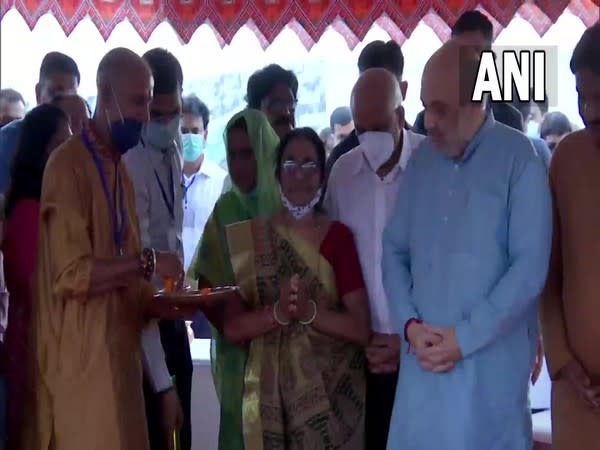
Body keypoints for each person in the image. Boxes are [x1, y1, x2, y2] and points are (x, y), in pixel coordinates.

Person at [383, 40, 552, 450]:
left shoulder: (521, 159)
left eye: (441, 108)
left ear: (477, 100)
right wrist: (409, 324)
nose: (429, 121)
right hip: (420, 381)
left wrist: (465, 339)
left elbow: (529, 269)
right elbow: (393, 250)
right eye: (426, 106)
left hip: (487, 383)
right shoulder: (421, 163)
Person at [23, 47, 185, 450]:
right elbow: (70, 274)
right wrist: (147, 262)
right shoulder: (67, 165)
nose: (145, 117)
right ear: (105, 96)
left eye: (148, 103)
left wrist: (162, 301)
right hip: (81, 373)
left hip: (121, 369)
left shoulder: (118, 171)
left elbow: (125, 280)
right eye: (137, 102)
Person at [222, 126, 369, 449]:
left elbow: (361, 329)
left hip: (334, 407)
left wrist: (309, 312)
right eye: (290, 164)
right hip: (272, 405)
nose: (299, 175)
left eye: (309, 165)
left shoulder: (338, 238)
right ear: (276, 174)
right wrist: (277, 313)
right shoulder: (255, 239)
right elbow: (233, 328)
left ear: (322, 175)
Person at [324, 68, 425, 450]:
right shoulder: (343, 174)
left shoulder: (431, 166)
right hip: (361, 359)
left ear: (400, 117)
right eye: (361, 131)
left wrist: (407, 342)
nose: (370, 140)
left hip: (423, 356)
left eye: (380, 127)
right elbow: (334, 265)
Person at [189, 108, 281, 450]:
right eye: (233, 154)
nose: (241, 164)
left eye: (249, 153)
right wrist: (238, 321)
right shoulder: (225, 209)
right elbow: (205, 284)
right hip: (238, 360)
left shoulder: (291, 207)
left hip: (289, 357)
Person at [123, 48, 191, 450]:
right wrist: (161, 383)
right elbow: (136, 269)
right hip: (140, 318)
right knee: (159, 427)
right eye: (156, 114)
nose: (165, 123)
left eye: (172, 113)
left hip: (170, 308)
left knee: (182, 433)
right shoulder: (129, 159)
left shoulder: (175, 146)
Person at [540, 23, 600, 450]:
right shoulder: (567, 158)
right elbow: (548, 275)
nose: (591, 111)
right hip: (578, 397)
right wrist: (562, 361)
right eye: (583, 97)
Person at [2, 104, 72, 450]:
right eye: (63, 144)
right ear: (45, 151)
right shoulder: (29, 212)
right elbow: (37, 289)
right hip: (35, 354)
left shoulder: (50, 205)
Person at [325, 40, 409, 177]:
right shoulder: (341, 163)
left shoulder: (427, 155)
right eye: (366, 89)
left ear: (403, 90)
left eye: (383, 89)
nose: (372, 100)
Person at [180, 95, 227, 339]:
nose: (189, 138)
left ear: (206, 135)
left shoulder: (220, 182)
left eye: (195, 131)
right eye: (183, 131)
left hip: (206, 297)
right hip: (168, 294)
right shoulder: (163, 181)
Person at [0, 52, 80, 193]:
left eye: (71, 96)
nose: (63, 104)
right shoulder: (8, 141)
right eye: (56, 94)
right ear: (38, 93)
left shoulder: (78, 142)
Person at [246, 63, 298, 139]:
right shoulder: (244, 149)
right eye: (276, 104)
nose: (286, 112)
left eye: (290, 103)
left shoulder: (308, 148)